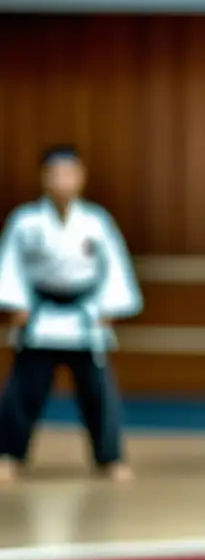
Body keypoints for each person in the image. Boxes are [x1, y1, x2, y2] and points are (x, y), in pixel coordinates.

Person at [0, 146, 141, 483]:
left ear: (81, 178)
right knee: (23, 391)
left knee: (99, 394)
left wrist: (111, 306)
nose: (63, 180)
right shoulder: (25, 221)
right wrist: (15, 302)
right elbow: (11, 266)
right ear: (44, 178)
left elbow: (115, 268)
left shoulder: (96, 221)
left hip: (84, 316)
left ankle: (110, 458)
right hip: (40, 315)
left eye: (70, 172)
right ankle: (8, 455)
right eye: (56, 173)